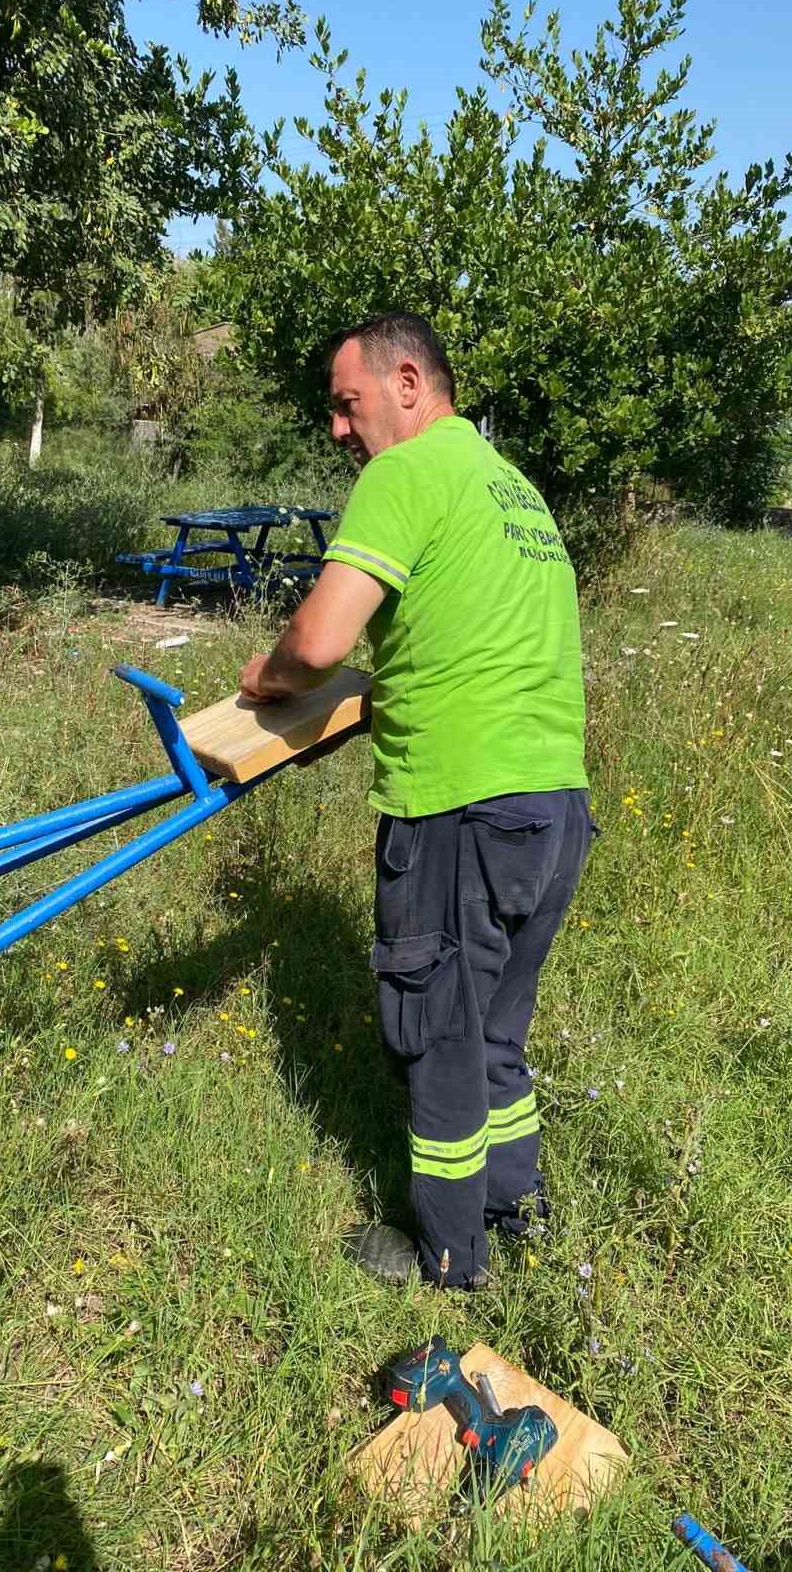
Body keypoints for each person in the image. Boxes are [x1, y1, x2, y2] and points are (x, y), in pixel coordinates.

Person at [239, 311, 593, 1290]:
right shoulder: (511, 488)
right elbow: (464, 647)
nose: (340, 432)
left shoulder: (407, 474)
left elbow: (317, 641)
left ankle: (446, 1253)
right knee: (494, 1029)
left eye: (347, 406)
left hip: (459, 811)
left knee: (436, 1035)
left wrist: (268, 680)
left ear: (406, 382)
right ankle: (517, 1210)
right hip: (554, 810)